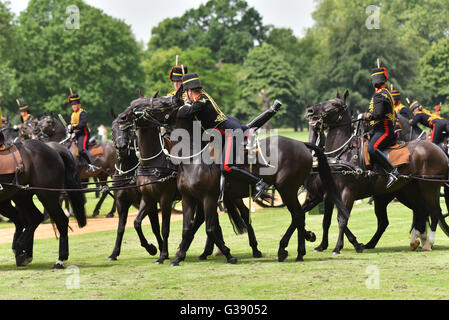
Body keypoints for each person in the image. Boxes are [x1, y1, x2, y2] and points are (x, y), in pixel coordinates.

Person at [177, 73, 279, 201]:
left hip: (230, 132)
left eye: (185, 91)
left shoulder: (202, 100)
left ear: (189, 91)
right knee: (250, 127)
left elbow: (187, 112)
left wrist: (182, 106)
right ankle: (272, 110)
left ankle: (259, 183)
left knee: (226, 167)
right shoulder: (201, 97)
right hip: (228, 127)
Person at [363, 66, 400, 189]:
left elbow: (378, 114)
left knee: (372, 148)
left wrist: (365, 115)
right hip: (378, 129)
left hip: (384, 129)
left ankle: (393, 171)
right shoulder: (385, 93)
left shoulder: (380, 95)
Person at [67, 92, 99, 172]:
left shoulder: (83, 113)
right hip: (76, 134)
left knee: (81, 149)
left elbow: (82, 124)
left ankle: (91, 164)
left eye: (75, 104)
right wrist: (70, 129)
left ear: (79, 105)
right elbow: (72, 125)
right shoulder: (72, 114)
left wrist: (73, 127)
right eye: (72, 105)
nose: (74, 106)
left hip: (83, 134)